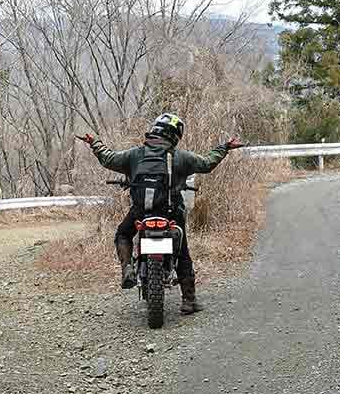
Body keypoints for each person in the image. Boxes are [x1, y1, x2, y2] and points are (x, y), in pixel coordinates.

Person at [77, 113, 242, 314]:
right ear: (175, 135)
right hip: (171, 214)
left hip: (141, 214)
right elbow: (207, 164)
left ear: (155, 130)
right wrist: (224, 147)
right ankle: (189, 301)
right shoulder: (181, 157)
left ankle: (127, 268)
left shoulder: (135, 155)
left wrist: (94, 143)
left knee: (123, 234)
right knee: (182, 253)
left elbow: (108, 158)